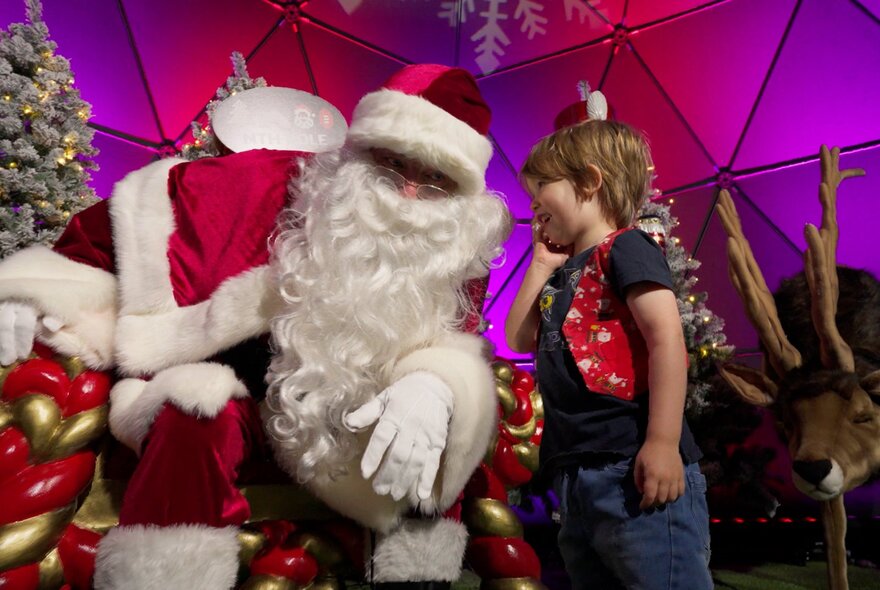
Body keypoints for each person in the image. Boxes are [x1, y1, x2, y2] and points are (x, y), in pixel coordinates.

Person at [0, 64, 511, 589]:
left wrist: (434, 383)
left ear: (459, 196)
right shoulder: (265, 183)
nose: (407, 195)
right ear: (357, 154)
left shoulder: (454, 243)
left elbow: (456, 343)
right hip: (233, 383)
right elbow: (119, 223)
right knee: (196, 404)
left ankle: (416, 582)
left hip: (349, 416)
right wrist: (33, 291)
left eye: (434, 182)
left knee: (429, 427)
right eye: (392, 166)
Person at [504, 88, 712, 590]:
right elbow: (518, 336)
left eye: (542, 189)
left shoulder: (629, 248)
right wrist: (542, 263)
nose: (533, 204)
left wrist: (662, 442)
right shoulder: (564, 270)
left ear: (590, 182)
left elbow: (666, 341)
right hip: (577, 474)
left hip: (631, 467)